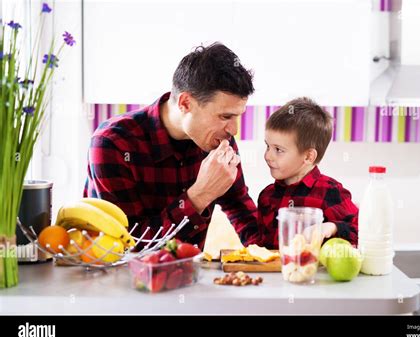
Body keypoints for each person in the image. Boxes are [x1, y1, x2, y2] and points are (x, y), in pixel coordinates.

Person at [83, 43, 258, 249]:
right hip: (116, 276)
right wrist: (199, 195)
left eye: (238, 116)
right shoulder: (113, 144)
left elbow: (241, 209)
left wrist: (274, 256)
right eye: (225, 116)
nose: (234, 130)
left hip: (188, 275)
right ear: (185, 103)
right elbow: (129, 245)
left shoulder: (218, 139)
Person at [253, 97, 359, 249]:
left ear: (308, 156)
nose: (268, 156)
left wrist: (330, 227)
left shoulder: (330, 191)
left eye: (278, 150)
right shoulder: (266, 196)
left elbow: (361, 231)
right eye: (267, 146)